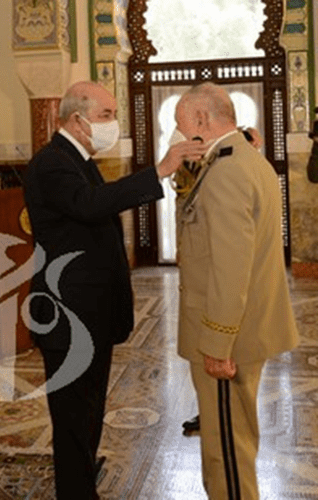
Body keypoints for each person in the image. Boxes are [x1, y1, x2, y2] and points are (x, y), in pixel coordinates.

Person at [22, 80, 208, 499]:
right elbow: (90, 204)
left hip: (89, 314)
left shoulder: (78, 158)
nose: (113, 123)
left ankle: (82, 482)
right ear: (77, 119)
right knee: (73, 419)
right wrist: (158, 171)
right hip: (68, 317)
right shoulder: (52, 163)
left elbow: (96, 204)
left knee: (89, 412)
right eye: (106, 115)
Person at [175, 82, 299, 499]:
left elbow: (230, 269)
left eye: (181, 124)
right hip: (241, 329)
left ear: (201, 119)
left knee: (227, 449)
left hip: (229, 337)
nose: (180, 134)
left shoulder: (227, 171)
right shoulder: (239, 159)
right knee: (227, 438)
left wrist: (217, 342)